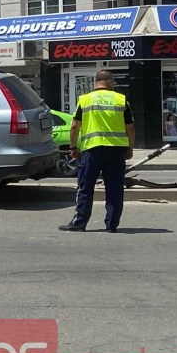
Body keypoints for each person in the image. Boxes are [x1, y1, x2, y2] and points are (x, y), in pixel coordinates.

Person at [59, 70, 135, 233]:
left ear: (97, 82)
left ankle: (80, 223)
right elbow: (131, 128)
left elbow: (74, 127)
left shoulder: (85, 100)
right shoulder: (121, 100)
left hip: (92, 151)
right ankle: (112, 224)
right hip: (116, 151)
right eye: (113, 81)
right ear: (108, 80)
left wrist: (73, 148)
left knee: (85, 187)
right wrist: (130, 148)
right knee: (115, 189)